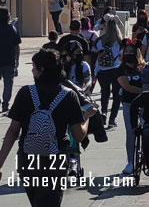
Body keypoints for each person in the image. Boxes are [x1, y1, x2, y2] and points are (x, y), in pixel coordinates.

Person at [0, 48, 97, 207]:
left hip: (27, 160)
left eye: (34, 66)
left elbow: (13, 130)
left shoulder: (25, 93)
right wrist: (86, 116)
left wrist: (1, 162)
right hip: (55, 161)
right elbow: (78, 135)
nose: (32, 70)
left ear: (41, 70)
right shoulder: (68, 95)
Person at [117, 38, 144, 174]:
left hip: (145, 103)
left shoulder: (142, 67)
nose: (128, 53)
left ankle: (146, 155)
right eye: (126, 51)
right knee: (130, 132)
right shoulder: (120, 69)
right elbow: (127, 87)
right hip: (129, 104)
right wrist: (145, 90)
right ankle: (130, 162)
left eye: (131, 51)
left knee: (147, 128)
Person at [94, 15, 123, 127]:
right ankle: (112, 119)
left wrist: (94, 72)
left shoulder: (99, 41)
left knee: (104, 93)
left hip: (102, 70)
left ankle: (104, 113)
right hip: (116, 70)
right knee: (116, 95)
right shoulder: (119, 41)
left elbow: (95, 57)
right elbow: (122, 57)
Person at [0, 8, 21, 112]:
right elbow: (16, 46)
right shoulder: (12, 29)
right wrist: (17, 59)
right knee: (8, 84)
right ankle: (5, 103)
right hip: (9, 60)